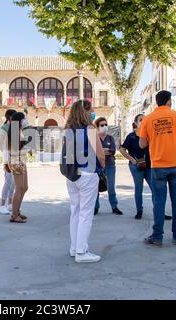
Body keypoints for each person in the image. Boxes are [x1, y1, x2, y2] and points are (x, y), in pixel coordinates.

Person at [138, 91, 176, 247]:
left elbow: (141, 144)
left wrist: (155, 136)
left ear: (157, 102)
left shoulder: (148, 119)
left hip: (158, 166)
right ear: (169, 101)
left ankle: (157, 237)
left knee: (159, 202)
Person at [65, 100, 105, 263]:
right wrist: (102, 168)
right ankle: (82, 252)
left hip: (72, 175)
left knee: (75, 211)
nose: (93, 114)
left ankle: (75, 247)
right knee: (86, 213)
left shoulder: (68, 131)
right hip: (88, 175)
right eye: (91, 111)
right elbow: (101, 155)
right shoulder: (90, 129)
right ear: (85, 112)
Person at [93, 117, 123, 216]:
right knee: (96, 187)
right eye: (102, 125)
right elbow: (94, 152)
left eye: (106, 125)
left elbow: (112, 151)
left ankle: (114, 206)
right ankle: (95, 207)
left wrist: (101, 151)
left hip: (110, 165)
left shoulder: (110, 138)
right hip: (98, 166)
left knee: (111, 187)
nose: (104, 127)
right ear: (97, 127)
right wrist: (104, 151)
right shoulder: (94, 138)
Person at [7, 112, 31, 223]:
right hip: (17, 161)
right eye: (24, 118)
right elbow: (15, 151)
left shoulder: (18, 130)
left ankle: (17, 212)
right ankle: (14, 215)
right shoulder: (14, 131)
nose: (26, 120)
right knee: (19, 188)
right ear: (19, 121)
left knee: (24, 187)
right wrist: (28, 149)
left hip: (21, 160)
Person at [0, 109, 16, 215]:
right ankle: (2, 205)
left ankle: (10, 204)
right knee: (8, 181)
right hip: (7, 156)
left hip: (14, 156)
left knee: (13, 182)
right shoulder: (4, 128)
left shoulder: (15, 128)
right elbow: (1, 145)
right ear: (10, 117)